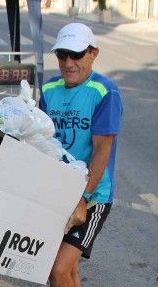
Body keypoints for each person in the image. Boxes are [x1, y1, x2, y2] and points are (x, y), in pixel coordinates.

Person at [39, 23, 123, 287]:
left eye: (76, 54)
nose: (68, 62)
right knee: (68, 271)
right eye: (62, 55)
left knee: (57, 269)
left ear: (93, 54)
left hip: (92, 196)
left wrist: (83, 199)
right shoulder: (49, 90)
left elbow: (102, 149)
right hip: (57, 192)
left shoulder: (104, 92)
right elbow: (39, 139)